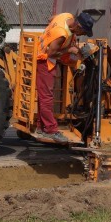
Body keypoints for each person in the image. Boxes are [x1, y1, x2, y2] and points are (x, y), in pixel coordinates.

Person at [34, 12, 95, 143]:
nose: (83, 34)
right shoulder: (62, 34)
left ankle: (41, 126)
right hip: (45, 60)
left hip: (45, 56)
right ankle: (51, 130)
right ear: (78, 26)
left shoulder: (66, 16)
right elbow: (51, 52)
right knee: (47, 97)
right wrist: (69, 50)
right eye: (83, 31)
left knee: (44, 96)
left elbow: (50, 18)